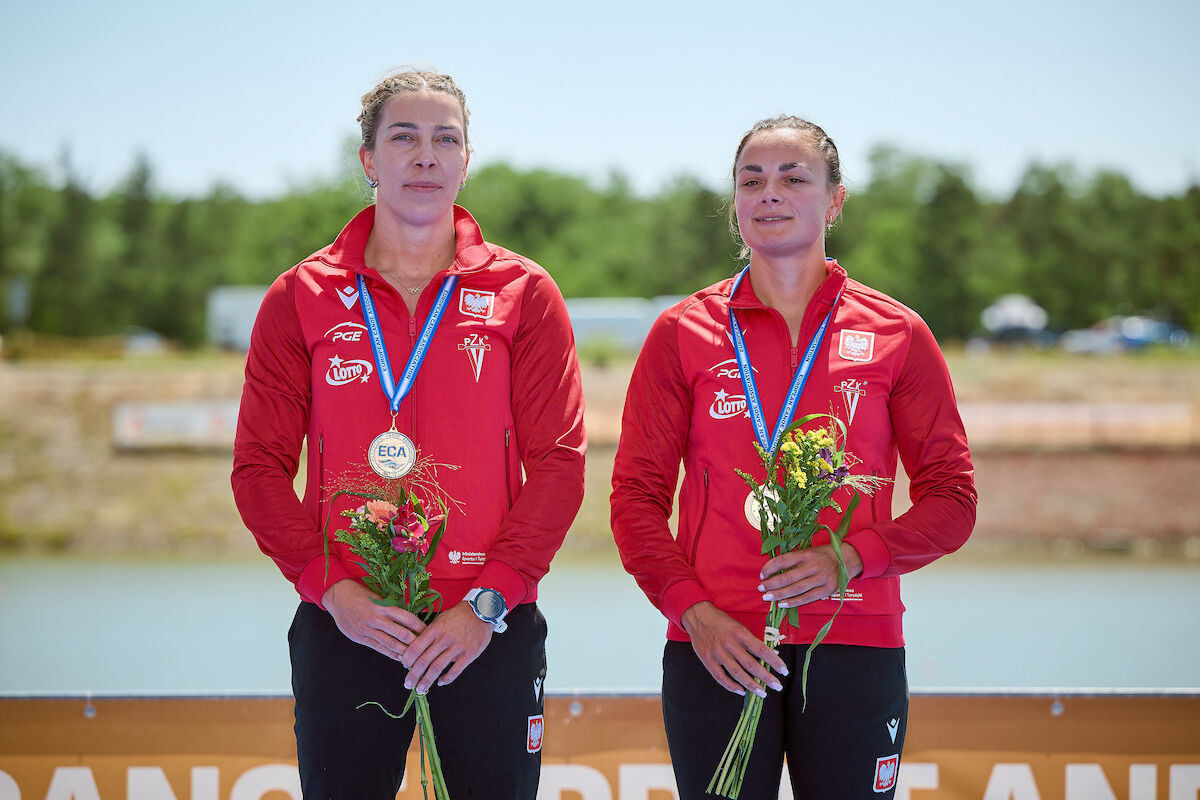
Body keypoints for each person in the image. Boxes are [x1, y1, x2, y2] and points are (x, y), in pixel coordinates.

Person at [232, 68, 586, 799]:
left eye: (444, 138)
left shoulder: (524, 293)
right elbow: (260, 469)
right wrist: (331, 589)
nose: (425, 155)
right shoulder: (301, 295)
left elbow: (558, 465)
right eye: (404, 137)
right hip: (350, 622)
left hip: (485, 625)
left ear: (465, 160)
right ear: (368, 159)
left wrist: (490, 601)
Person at [610, 116, 976, 799]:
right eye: (751, 180)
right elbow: (634, 500)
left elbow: (953, 501)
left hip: (854, 639)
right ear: (734, 203)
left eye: (793, 178)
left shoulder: (897, 333)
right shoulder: (681, 333)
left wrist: (850, 558)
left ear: (835, 200)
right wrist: (694, 611)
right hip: (718, 645)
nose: (768, 194)